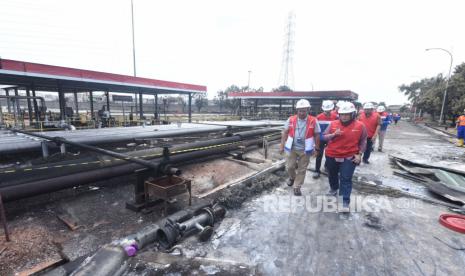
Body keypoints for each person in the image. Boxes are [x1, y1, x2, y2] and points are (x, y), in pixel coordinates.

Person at [323, 102, 367, 211]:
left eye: (347, 114)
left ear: (353, 114)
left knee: (346, 178)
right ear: (339, 114)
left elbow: (363, 141)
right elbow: (323, 137)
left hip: (349, 157)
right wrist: (333, 135)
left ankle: (344, 202)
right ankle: (334, 188)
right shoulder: (333, 124)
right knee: (332, 174)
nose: (344, 116)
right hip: (332, 155)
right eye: (342, 114)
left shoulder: (360, 126)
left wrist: (359, 154)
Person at [280, 99, 321, 196]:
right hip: (292, 147)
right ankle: (292, 177)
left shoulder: (313, 120)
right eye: (300, 110)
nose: (302, 113)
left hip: (306, 149)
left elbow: (317, 135)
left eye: (304, 110)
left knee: (302, 169)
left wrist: (317, 148)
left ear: (308, 110)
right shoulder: (291, 119)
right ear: (297, 110)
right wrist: (282, 145)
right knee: (290, 166)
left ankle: (297, 186)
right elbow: (284, 132)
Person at [313, 100, 338, 179]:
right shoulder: (318, 117)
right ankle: (317, 170)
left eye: (329, 110)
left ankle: (327, 166)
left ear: (332, 109)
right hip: (320, 139)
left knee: (329, 155)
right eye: (326, 110)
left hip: (331, 139)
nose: (327, 112)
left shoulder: (336, 117)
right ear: (323, 109)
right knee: (319, 155)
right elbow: (316, 130)